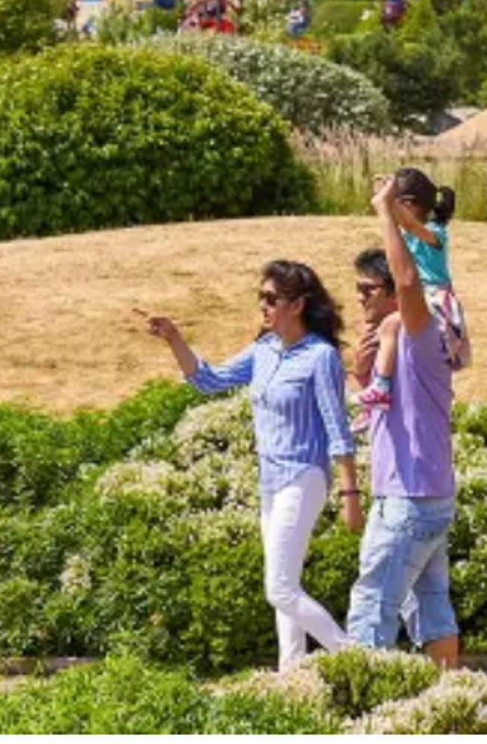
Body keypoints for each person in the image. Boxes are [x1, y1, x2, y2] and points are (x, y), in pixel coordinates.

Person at [139, 263, 357, 671]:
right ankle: (292, 678)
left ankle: (355, 658)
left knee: (280, 588)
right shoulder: (263, 350)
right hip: (270, 481)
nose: (263, 306)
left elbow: (337, 429)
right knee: (284, 587)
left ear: (297, 305)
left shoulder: (320, 357)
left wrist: (350, 494)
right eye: (261, 297)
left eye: (271, 299)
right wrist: (174, 339)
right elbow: (208, 380)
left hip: (304, 476)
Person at [345, 178, 461, 664]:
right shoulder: (396, 345)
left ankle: (361, 699)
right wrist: (361, 373)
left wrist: (385, 212)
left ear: (395, 294)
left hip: (408, 499)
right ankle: (453, 697)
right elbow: (383, 410)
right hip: (423, 495)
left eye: (368, 290)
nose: (359, 298)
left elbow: (411, 280)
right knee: (431, 609)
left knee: (372, 604)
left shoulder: (420, 330)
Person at [356, 168, 467, 411]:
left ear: (410, 204)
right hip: (414, 296)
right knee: (377, 332)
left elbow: (408, 222)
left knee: (390, 325)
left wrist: (386, 204)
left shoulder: (435, 232)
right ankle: (373, 394)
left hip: (432, 297)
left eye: (400, 202)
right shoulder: (405, 235)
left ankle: (381, 386)